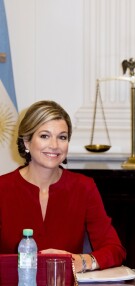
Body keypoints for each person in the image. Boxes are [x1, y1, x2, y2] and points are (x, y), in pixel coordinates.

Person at [0, 100, 126, 272]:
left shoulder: (83, 187)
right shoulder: (3, 188)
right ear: (27, 142)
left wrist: (80, 261)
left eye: (62, 137)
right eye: (44, 136)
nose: (54, 145)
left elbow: (115, 249)